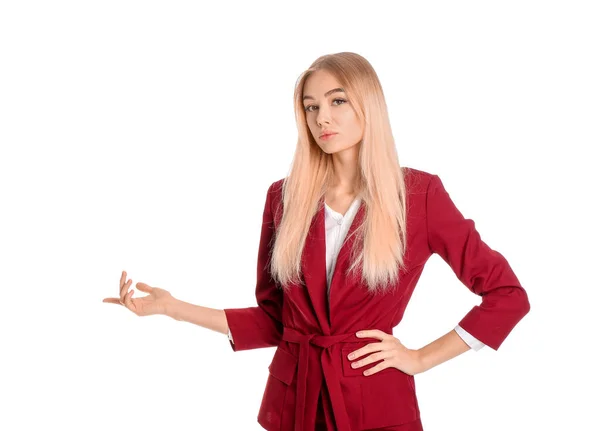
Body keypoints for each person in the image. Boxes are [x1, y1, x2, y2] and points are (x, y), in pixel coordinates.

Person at [103, 52, 531, 431]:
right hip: (294, 406)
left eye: (337, 101)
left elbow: (508, 296)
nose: (321, 118)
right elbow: (276, 320)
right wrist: (170, 308)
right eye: (311, 107)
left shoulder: (418, 196)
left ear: (369, 105)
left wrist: (420, 358)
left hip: (377, 405)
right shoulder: (284, 197)